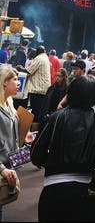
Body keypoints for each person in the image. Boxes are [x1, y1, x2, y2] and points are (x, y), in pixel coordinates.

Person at [30, 74, 95, 223]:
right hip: (85, 188)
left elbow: (36, 152)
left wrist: (48, 162)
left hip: (53, 186)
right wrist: (94, 184)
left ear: (72, 92)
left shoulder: (55, 117)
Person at [0, 64, 20, 222]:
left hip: (7, 165)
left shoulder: (9, 104)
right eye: (15, 79)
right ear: (4, 82)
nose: (18, 82)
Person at [23, 44, 52, 121]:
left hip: (37, 89)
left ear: (37, 52)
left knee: (35, 110)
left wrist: (20, 69)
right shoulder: (45, 57)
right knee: (39, 110)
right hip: (43, 89)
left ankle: (33, 127)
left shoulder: (39, 58)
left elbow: (29, 71)